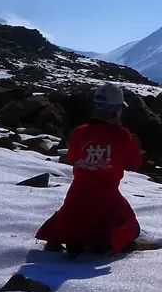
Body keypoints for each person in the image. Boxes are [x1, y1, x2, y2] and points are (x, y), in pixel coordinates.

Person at [36, 83, 143, 256]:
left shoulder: (79, 132)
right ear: (115, 111)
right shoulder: (123, 136)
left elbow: (71, 157)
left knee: (69, 215)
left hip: (76, 197)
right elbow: (134, 162)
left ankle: (71, 238)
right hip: (108, 199)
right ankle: (104, 241)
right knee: (131, 227)